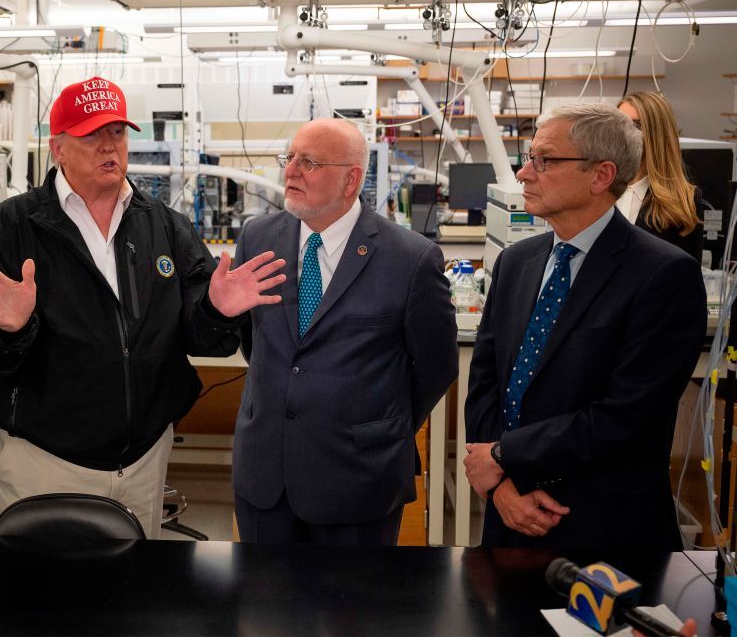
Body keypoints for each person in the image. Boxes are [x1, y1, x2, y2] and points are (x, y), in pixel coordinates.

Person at [0, 76, 285, 539]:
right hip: (45, 460)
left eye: (118, 133)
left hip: (143, 460)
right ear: (58, 147)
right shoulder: (6, 230)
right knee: (38, 602)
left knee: (131, 599)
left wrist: (218, 311)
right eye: (93, 135)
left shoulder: (165, 226)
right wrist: (10, 329)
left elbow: (201, 336)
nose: (110, 146)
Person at [463, 103, 707, 550]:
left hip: (601, 527)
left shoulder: (662, 275)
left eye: (545, 160)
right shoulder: (517, 262)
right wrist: (498, 486)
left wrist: (502, 455)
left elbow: (628, 417)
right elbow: (485, 381)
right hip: (510, 514)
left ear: (600, 175)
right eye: (528, 156)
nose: (522, 174)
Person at [231, 118, 458, 545]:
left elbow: (437, 366)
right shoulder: (257, 238)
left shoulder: (410, 258)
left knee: (353, 611)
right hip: (266, 476)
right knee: (265, 607)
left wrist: (376, 425)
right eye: (290, 157)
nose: (291, 171)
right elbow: (254, 340)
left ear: (351, 179)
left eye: (309, 162)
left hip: (359, 480)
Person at [616, 91, 704, 263]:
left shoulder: (683, 201)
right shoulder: (596, 191)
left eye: (636, 126)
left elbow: (685, 277)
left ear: (658, 135)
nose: (625, 133)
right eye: (619, 124)